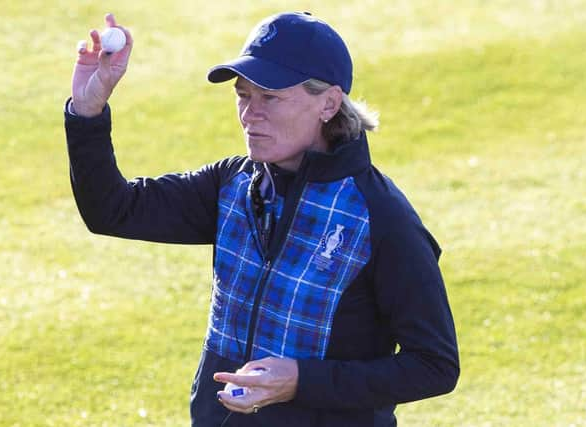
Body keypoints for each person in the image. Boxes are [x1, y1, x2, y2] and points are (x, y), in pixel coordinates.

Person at [65, 11, 459, 427]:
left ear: (328, 103)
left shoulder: (383, 219)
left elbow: (434, 365)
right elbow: (112, 210)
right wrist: (88, 110)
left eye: (270, 97)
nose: (250, 114)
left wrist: (302, 381)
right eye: (243, 95)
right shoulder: (231, 185)